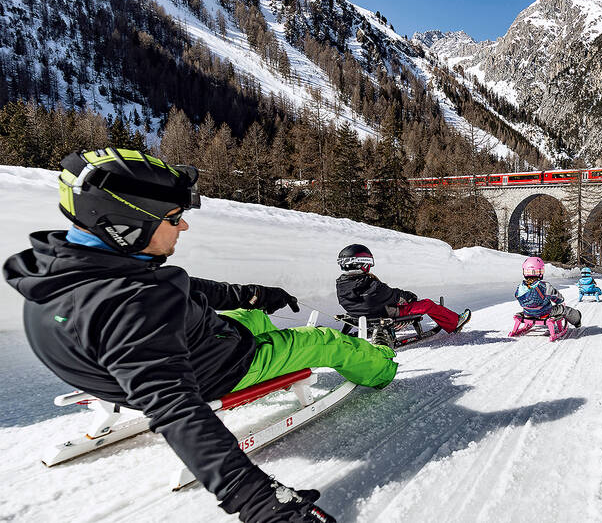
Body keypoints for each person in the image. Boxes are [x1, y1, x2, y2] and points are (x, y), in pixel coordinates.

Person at [4, 148, 400, 523]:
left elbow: (183, 287)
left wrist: (253, 295)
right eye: (174, 217)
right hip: (225, 366)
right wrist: (260, 502)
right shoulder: (134, 308)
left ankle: (256, 317)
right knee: (325, 342)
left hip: (206, 340)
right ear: (127, 224)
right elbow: (175, 408)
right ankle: (380, 364)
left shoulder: (69, 269)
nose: (184, 224)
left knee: (253, 315)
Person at [335, 244, 471, 345]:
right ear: (362, 264)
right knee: (428, 304)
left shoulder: (341, 285)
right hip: (384, 314)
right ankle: (454, 322)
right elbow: (393, 296)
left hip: (357, 315)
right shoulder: (373, 285)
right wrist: (409, 296)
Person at [514, 257, 582, 327]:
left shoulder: (520, 287)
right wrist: (559, 300)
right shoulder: (545, 286)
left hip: (527, 314)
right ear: (540, 272)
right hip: (545, 314)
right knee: (564, 309)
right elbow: (558, 298)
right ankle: (577, 320)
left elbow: (517, 297)